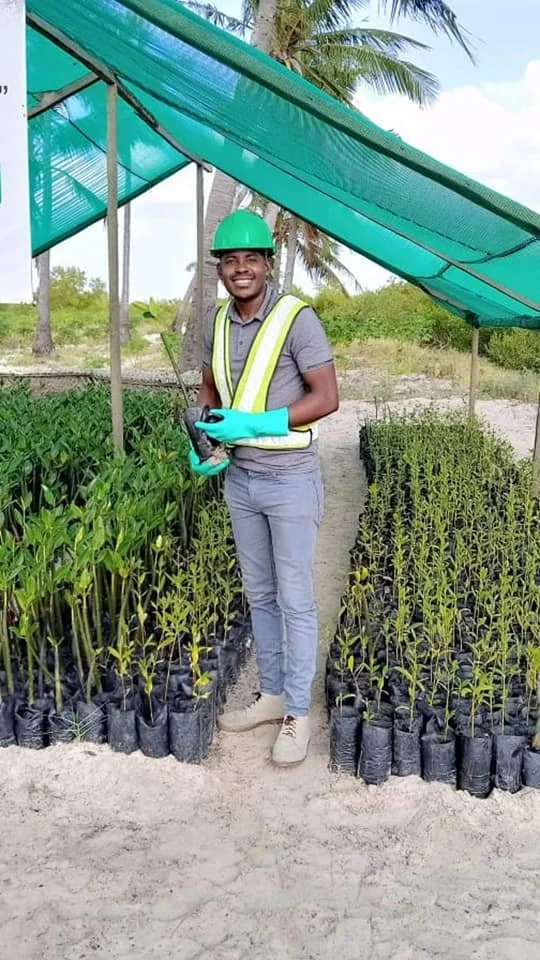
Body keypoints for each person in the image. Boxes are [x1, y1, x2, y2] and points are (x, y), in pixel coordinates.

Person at [190, 209, 339, 766]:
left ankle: (298, 711)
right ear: (221, 270)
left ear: (268, 264)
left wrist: (257, 424)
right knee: (260, 595)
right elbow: (210, 385)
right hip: (241, 479)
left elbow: (327, 398)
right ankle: (273, 694)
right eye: (230, 261)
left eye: (251, 258)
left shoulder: (298, 319)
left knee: (296, 598)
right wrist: (203, 435)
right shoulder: (217, 320)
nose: (241, 269)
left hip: (291, 478)